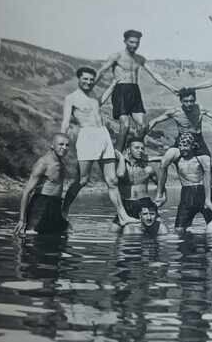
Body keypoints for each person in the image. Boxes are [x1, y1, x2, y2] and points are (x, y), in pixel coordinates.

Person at [60, 66, 131, 224]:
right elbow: (65, 122)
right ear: (78, 79)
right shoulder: (71, 98)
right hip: (87, 136)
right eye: (85, 79)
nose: (88, 82)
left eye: (91, 79)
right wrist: (61, 141)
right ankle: (63, 211)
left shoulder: (92, 95)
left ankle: (123, 216)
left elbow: (99, 102)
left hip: (103, 135)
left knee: (112, 180)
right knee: (82, 180)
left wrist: (113, 84)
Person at [96, 29, 175, 150]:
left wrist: (172, 88)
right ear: (125, 41)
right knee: (125, 125)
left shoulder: (140, 59)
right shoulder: (116, 56)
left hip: (134, 91)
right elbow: (101, 71)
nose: (134, 45)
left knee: (143, 126)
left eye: (137, 43)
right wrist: (88, 89)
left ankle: (132, 149)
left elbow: (155, 75)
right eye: (131, 42)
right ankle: (118, 155)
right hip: (120, 90)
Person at [156, 131, 212, 232]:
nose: (183, 149)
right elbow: (162, 164)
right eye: (181, 146)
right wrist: (160, 193)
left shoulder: (202, 158)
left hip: (203, 192)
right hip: (186, 193)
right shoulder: (177, 158)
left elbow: (208, 176)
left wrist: (208, 200)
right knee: (179, 229)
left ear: (193, 146)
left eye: (186, 146)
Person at [14, 134, 70, 236]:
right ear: (52, 145)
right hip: (41, 205)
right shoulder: (43, 163)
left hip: (56, 205)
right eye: (61, 144)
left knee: (57, 241)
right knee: (33, 240)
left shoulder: (61, 163)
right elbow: (27, 192)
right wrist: (22, 219)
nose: (64, 148)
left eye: (67, 145)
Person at [147, 87, 212, 156]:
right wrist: (145, 134)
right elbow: (155, 120)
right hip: (182, 139)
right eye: (186, 101)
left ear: (195, 100)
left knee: (209, 162)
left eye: (191, 101)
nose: (189, 104)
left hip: (198, 139)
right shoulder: (175, 112)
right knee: (172, 158)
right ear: (181, 101)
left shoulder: (199, 109)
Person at [115, 135, 160, 222]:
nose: (140, 150)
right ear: (128, 150)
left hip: (145, 203)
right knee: (114, 230)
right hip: (126, 204)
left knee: (160, 229)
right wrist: (121, 158)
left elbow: (160, 184)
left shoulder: (148, 169)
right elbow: (120, 174)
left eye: (142, 148)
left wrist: (162, 196)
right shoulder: (121, 166)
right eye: (137, 148)